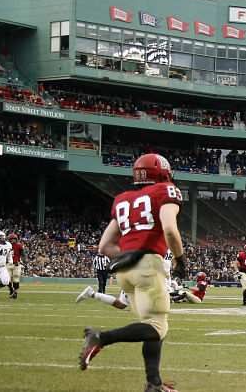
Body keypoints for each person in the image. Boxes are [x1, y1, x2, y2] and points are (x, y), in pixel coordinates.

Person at [78, 153, 187, 392]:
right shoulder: (165, 190)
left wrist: (130, 255)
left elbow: (104, 246)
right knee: (156, 327)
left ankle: (154, 384)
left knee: (154, 328)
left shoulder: (123, 199)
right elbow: (169, 229)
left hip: (124, 269)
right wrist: (180, 259)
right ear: (162, 173)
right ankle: (101, 338)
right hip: (147, 265)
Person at [6, 233, 23, 299]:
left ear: (16, 239)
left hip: (16, 264)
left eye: (14, 239)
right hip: (7, 264)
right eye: (11, 239)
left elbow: (23, 254)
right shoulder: (6, 246)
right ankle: (11, 289)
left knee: (16, 278)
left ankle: (15, 293)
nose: (12, 240)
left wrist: (20, 261)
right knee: (7, 280)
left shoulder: (19, 246)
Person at [0, 230, 13, 296]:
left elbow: (9, 253)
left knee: (6, 282)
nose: (3, 238)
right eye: (1, 237)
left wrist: (10, 260)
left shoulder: (8, 245)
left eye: (3, 236)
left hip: (2, 267)